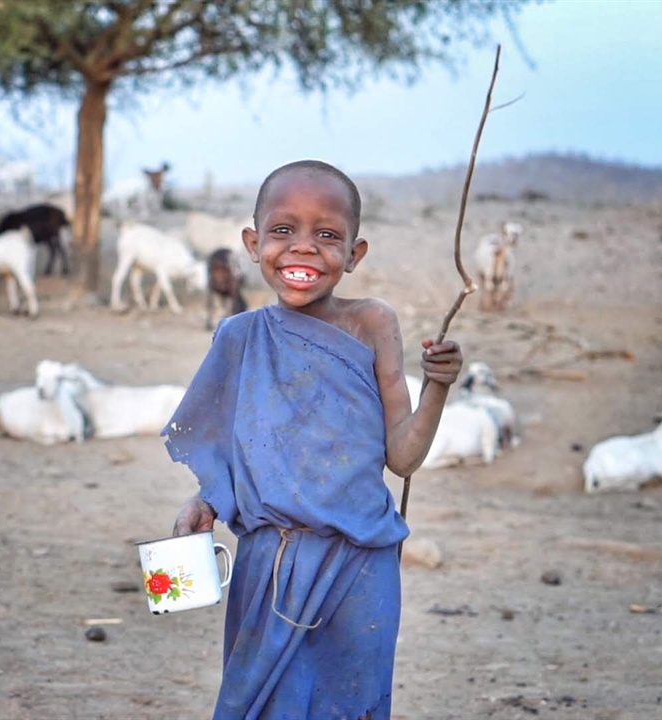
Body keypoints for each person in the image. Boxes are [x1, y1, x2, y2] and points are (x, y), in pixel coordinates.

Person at [163, 159, 463, 720]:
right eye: (283, 231)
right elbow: (227, 454)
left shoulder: (371, 322)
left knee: (347, 703)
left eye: (327, 236)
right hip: (268, 566)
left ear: (354, 253)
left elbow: (403, 456)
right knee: (256, 704)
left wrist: (438, 389)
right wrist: (204, 502)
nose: (303, 249)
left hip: (359, 564)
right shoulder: (239, 337)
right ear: (253, 244)